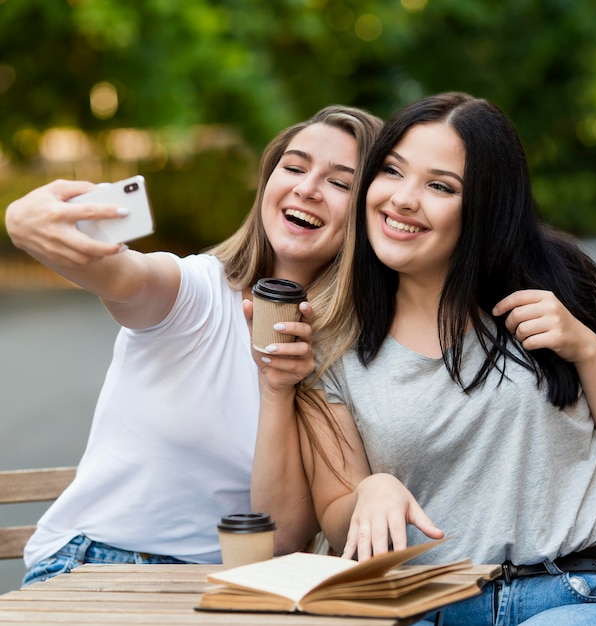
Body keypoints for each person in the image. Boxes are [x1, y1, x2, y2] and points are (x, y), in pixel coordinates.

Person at [4, 104, 382, 584]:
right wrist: (23, 222)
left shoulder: (343, 355)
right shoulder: (194, 291)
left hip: (218, 585)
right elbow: (123, 275)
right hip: (95, 562)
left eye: (340, 183)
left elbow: (283, 538)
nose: (307, 188)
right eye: (294, 167)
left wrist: (278, 389)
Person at [293, 92, 596, 625]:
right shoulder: (333, 343)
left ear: (485, 207)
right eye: (392, 172)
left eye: (440, 186)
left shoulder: (557, 280)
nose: (403, 199)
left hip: (581, 590)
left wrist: (585, 346)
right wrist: (371, 490)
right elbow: (337, 519)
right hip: (432, 605)